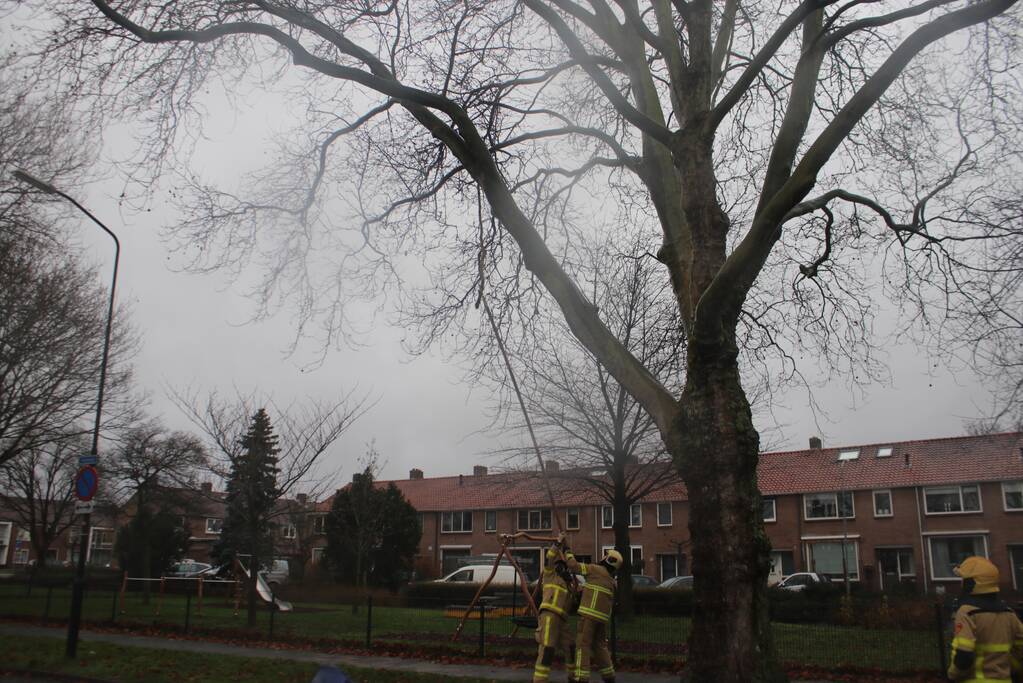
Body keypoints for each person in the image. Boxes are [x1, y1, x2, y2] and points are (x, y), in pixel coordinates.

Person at [946, 556, 1023, 683]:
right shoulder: (1009, 613)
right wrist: (1011, 668)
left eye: (963, 579)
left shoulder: (967, 613)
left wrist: (952, 675)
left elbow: (964, 655)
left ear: (970, 583)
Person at [564, 544, 621, 683]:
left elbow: (573, 566)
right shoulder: (612, 582)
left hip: (588, 616)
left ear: (607, 559)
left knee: (582, 645)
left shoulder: (594, 569)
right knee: (600, 646)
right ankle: (609, 676)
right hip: (602, 619)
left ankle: (581, 677)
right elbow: (598, 592)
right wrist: (583, 591)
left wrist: (567, 551)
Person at [532, 544, 577, 683]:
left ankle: (572, 676)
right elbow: (549, 558)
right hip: (549, 615)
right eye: (559, 566)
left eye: (564, 566)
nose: (561, 568)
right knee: (548, 647)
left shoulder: (568, 586)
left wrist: (573, 587)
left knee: (570, 646)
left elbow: (572, 604)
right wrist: (557, 545)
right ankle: (540, 680)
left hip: (562, 620)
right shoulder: (549, 576)